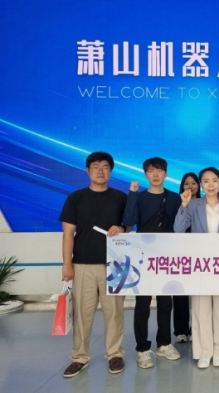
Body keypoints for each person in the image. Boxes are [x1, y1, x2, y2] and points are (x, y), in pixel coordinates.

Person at [59, 152, 130, 377]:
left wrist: (122, 228)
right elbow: (68, 234)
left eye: (105, 167)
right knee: (82, 313)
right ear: (88, 170)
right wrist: (67, 264)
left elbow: (129, 226)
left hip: (115, 265)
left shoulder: (120, 197)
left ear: (111, 171)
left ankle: (115, 354)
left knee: (115, 313)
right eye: (96, 167)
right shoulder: (76, 198)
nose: (101, 171)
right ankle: (79, 357)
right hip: (83, 264)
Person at [174, 167, 219, 368]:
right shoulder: (193, 204)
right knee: (201, 308)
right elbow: (178, 229)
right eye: (206, 181)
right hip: (200, 264)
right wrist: (184, 205)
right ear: (201, 184)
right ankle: (203, 352)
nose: (210, 185)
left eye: (214, 180)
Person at [123, 157, 182, 369]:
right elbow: (129, 222)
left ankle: (164, 344)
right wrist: (132, 194)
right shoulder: (139, 197)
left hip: (167, 257)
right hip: (144, 257)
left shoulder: (174, 198)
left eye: (159, 170)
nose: (155, 174)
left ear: (166, 173)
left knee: (166, 303)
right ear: (145, 174)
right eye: (150, 171)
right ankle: (142, 349)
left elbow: (181, 227)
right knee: (143, 305)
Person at [173, 172, 201, 344]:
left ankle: (197, 328)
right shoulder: (177, 203)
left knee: (200, 294)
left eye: (193, 183)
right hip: (181, 253)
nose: (190, 186)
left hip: (201, 254)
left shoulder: (206, 203)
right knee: (180, 293)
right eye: (186, 183)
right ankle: (181, 330)